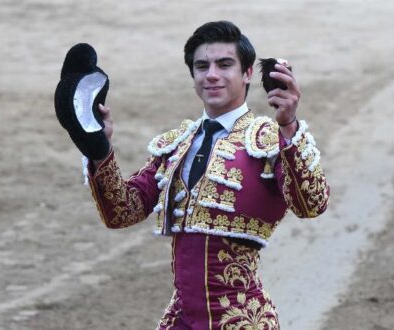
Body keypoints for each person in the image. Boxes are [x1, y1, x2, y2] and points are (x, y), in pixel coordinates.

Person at [69, 21, 329, 330]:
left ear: (247, 73)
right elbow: (122, 212)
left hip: (242, 320)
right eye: (201, 66)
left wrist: (289, 126)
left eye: (225, 64)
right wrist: (100, 150)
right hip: (180, 320)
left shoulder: (269, 140)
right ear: (193, 76)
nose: (212, 74)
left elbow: (312, 204)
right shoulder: (176, 145)